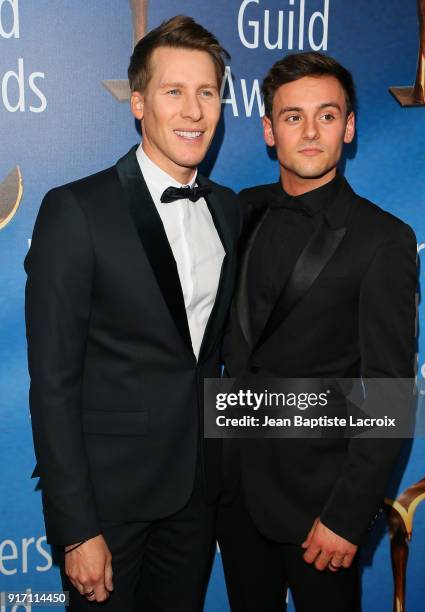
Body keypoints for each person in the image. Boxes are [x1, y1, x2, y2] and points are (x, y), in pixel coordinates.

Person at [25, 15, 240, 612]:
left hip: (196, 496)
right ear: (139, 104)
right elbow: (53, 383)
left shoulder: (226, 209)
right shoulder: (76, 210)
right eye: (174, 92)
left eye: (207, 92)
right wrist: (75, 528)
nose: (193, 111)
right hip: (108, 508)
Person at [218, 51, 417, 612]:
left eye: (326, 116)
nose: (309, 132)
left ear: (349, 127)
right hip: (235, 500)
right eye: (292, 116)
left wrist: (346, 517)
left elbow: (390, 392)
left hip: (321, 515)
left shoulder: (384, 239)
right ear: (268, 130)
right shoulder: (239, 210)